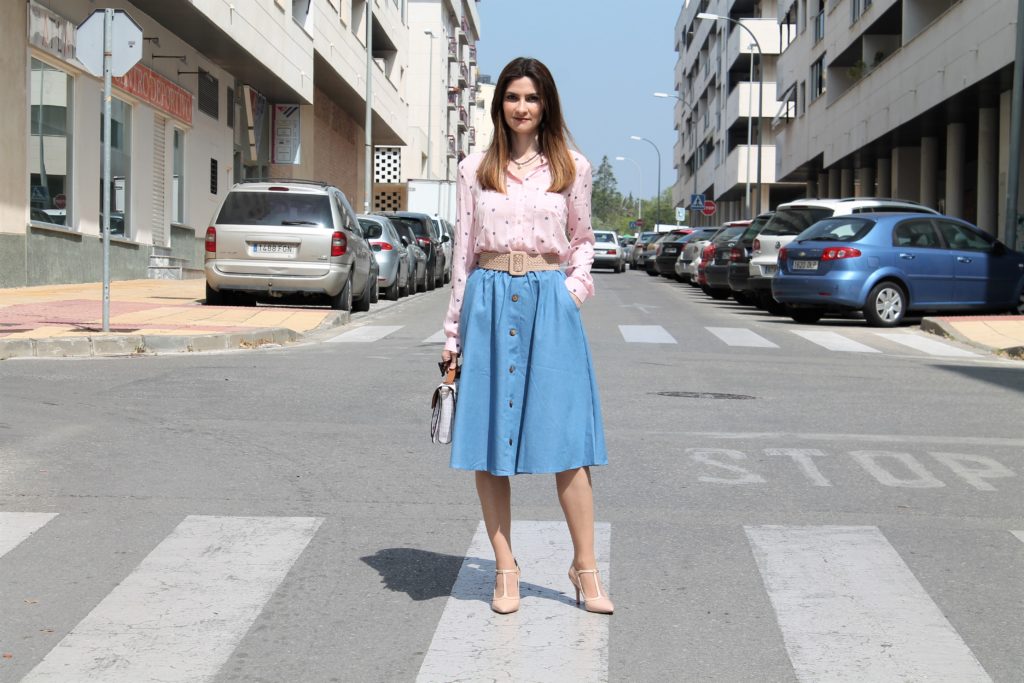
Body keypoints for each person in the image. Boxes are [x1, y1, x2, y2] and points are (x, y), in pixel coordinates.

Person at [440, 57, 613, 615]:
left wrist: (574, 290)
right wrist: (452, 334)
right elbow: (462, 256)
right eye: (512, 97)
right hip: (488, 303)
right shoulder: (473, 170)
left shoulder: (573, 168)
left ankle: (585, 568)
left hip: (548, 299)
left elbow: (583, 239)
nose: (521, 107)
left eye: (531, 98)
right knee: (492, 445)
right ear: (500, 106)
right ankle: (505, 566)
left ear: (546, 106)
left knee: (569, 443)